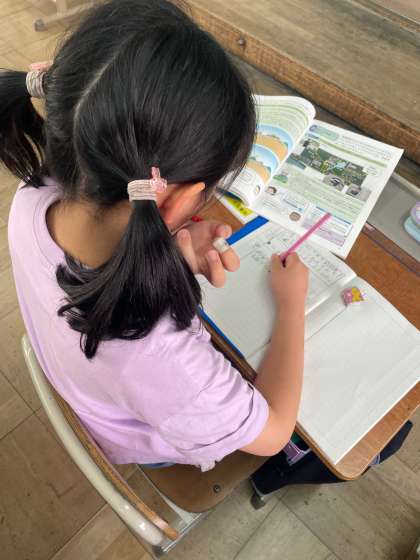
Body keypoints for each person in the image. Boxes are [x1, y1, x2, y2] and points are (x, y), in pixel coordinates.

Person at [2, 0, 309, 471]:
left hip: (93, 390)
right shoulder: (160, 353)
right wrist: (290, 306)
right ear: (173, 202)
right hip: (140, 437)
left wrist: (168, 249)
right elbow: (275, 433)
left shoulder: (33, 197)